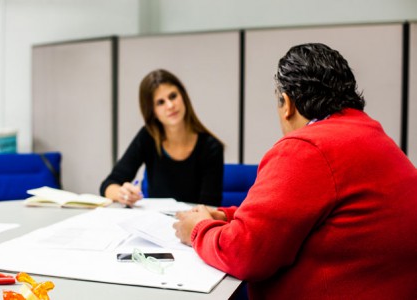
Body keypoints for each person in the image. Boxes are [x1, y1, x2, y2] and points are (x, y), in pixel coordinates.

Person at [173, 43, 417, 299]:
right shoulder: (370, 135)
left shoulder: (309, 147)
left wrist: (197, 229)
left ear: (286, 103)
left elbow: (245, 254)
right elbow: (290, 217)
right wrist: (227, 216)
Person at [100, 69, 224, 207]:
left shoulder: (211, 147)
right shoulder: (148, 136)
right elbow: (108, 185)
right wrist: (123, 194)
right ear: (152, 112)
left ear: (183, 96)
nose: (170, 105)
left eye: (173, 96)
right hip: (154, 224)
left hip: (193, 226)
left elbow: (210, 208)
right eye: (160, 102)